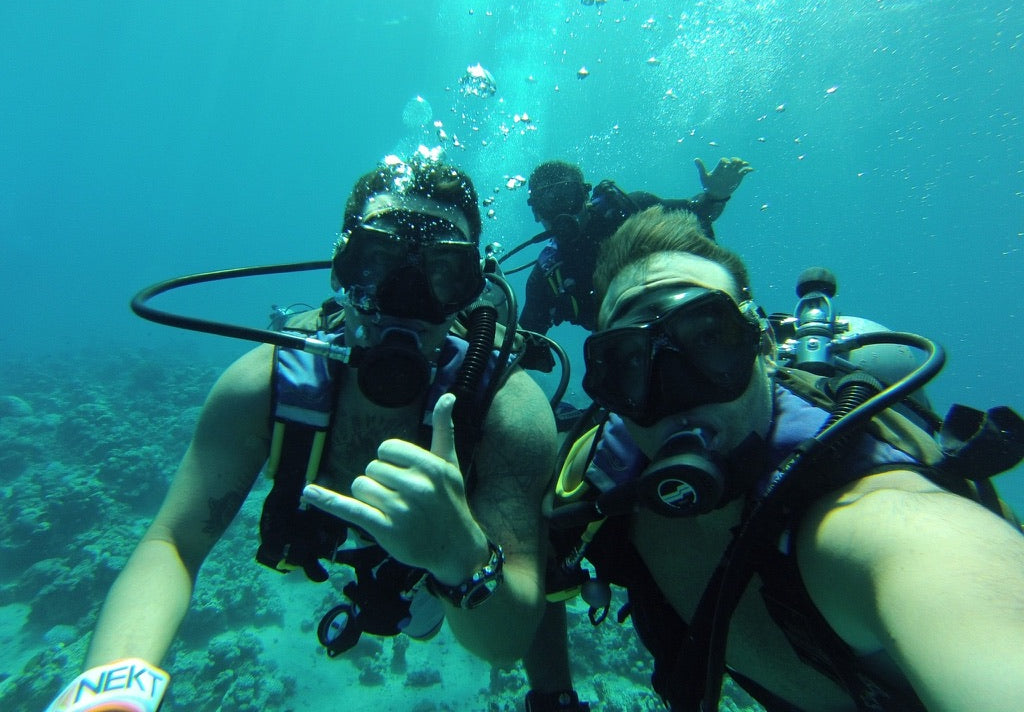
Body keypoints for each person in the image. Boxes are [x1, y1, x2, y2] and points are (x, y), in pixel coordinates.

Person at [45, 154, 558, 712]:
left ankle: (418, 590)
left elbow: (504, 645)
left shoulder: (508, 408)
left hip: (444, 557)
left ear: (472, 290)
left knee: (423, 617)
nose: (406, 300)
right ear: (341, 270)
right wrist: (112, 694)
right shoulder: (264, 385)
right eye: (378, 262)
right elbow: (173, 542)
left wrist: (461, 557)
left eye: (443, 273)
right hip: (333, 528)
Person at [545, 205, 1024, 711]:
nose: (677, 391)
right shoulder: (603, 489)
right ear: (608, 390)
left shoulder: (878, 519)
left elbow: (952, 577)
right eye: (631, 360)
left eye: (710, 338)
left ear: (765, 347)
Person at [517, 157, 752, 372]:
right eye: (548, 203)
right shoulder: (548, 277)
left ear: (584, 194)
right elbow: (523, 343)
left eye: (567, 197)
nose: (560, 213)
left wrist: (715, 196)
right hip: (633, 357)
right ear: (537, 213)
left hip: (689, 327)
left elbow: (696, 213)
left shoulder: (631, 209)